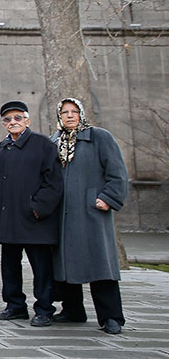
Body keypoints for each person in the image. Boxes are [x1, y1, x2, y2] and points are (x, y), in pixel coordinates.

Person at [51, 97, 129, 334]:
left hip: (92, 212)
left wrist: (108, 197)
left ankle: (111, 317)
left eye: (74, 111)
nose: (70, 115)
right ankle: (73, 310)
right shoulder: (54, 141)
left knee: (100, 263)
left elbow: (117, 171)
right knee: (66, 263)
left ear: (81, 114)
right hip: (62, 214)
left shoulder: (99, 137)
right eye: (65, 112)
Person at [0, 101, 63, 327]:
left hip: (35, 220)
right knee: (10, 266)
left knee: (41, 267)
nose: (12, 122)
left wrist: (37, 208)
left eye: (17, 118)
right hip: (7, 218)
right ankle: (15, 306)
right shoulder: (2, 148)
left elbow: (53, 182)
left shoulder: (43, 145)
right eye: (7, 119)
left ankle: (44, 308)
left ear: (27, 121)